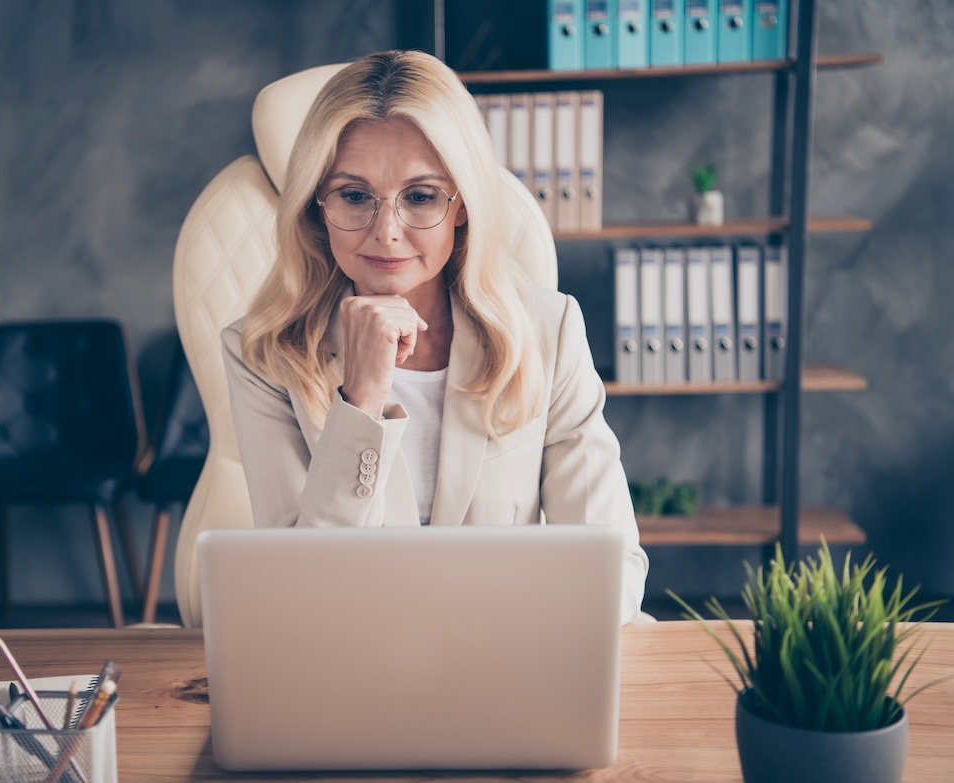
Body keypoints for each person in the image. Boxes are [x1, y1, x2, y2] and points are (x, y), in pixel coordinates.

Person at [222, 50, 648, 623]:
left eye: (420, 197)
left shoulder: (550, 330)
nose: (386, 232)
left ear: (462, 205)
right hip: (351, 663)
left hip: (512, 651)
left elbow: (613, 566)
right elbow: (301, 593)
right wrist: (361, 403)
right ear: (315, 205)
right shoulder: (263, 353)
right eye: (353, 195)